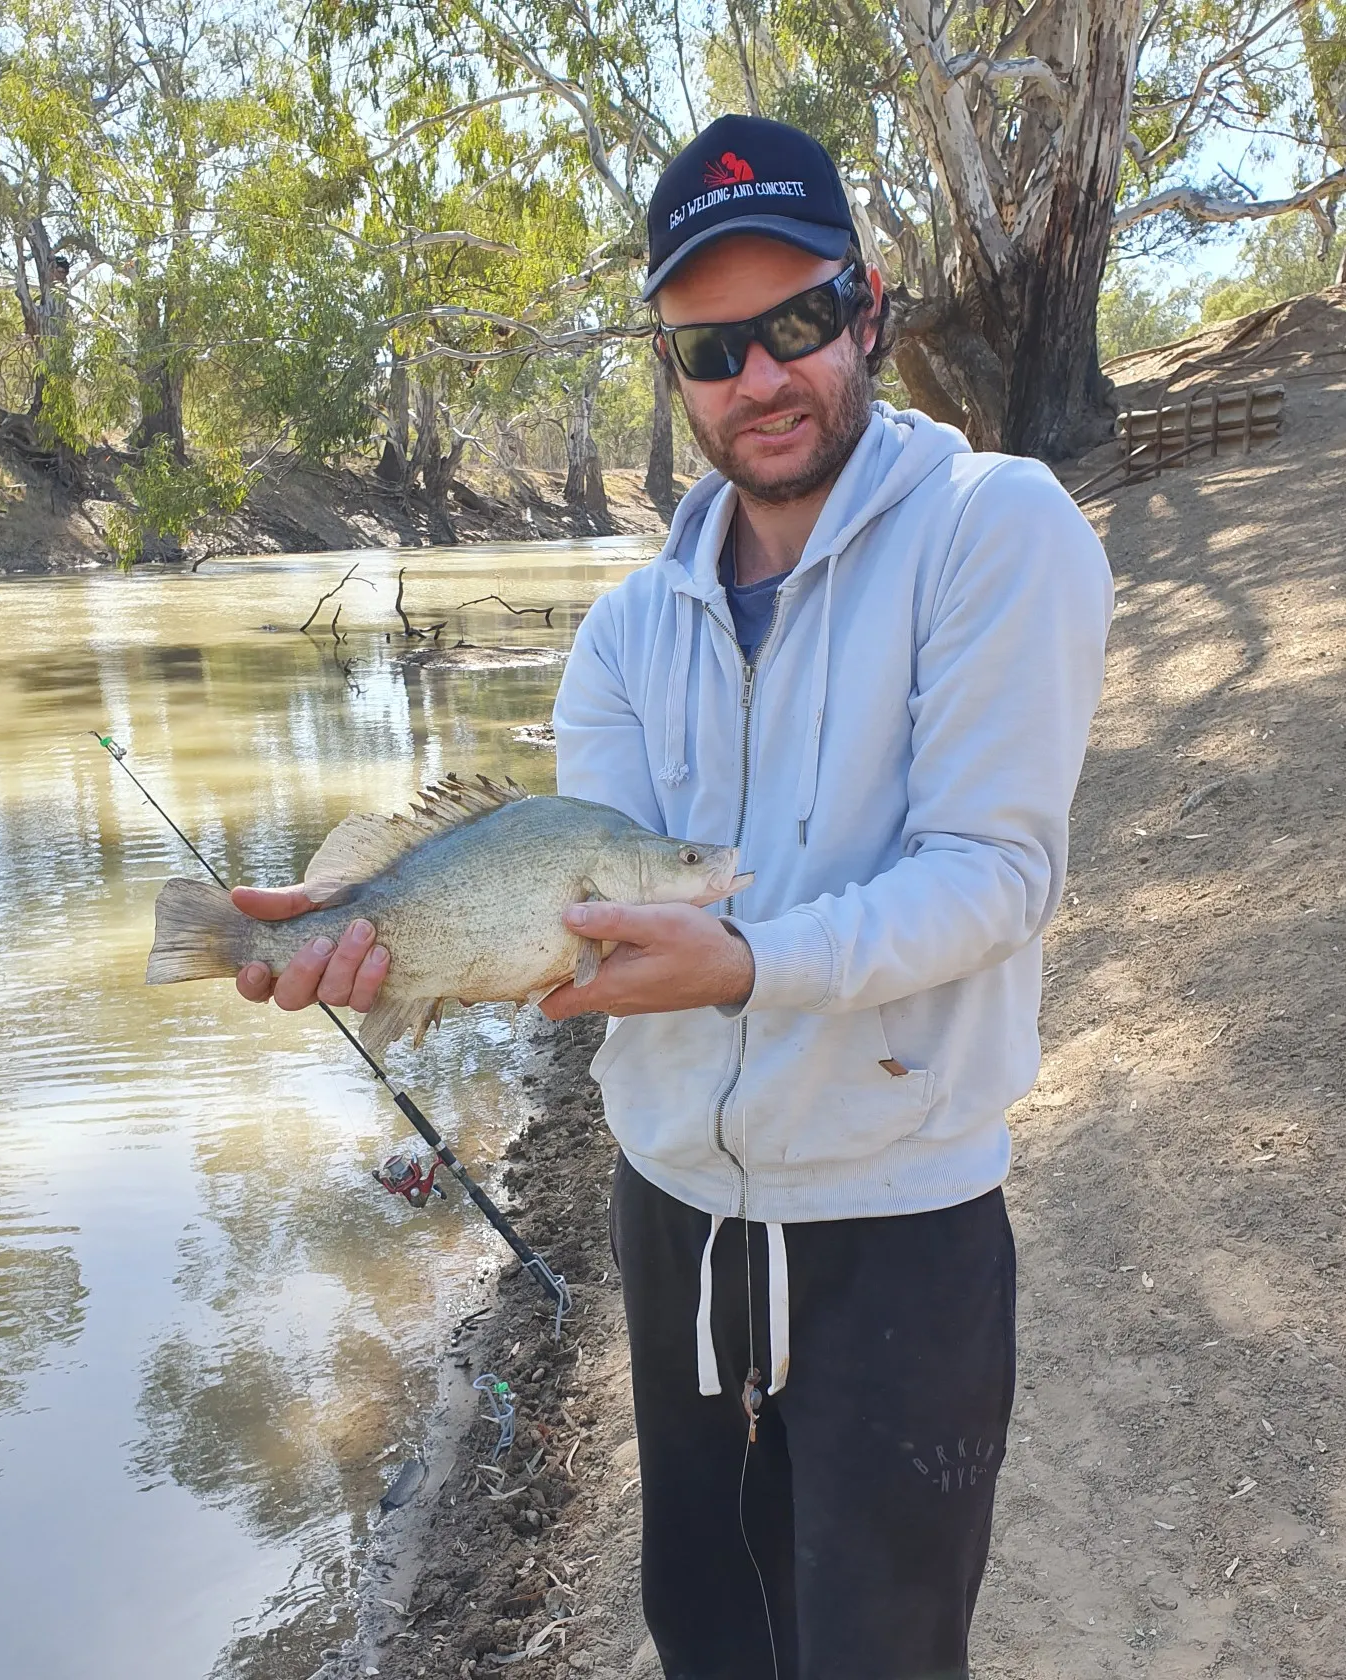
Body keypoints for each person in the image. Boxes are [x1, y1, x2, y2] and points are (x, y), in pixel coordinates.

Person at [232, 113, 1112, 1680]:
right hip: (673, 1211)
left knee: (881, 1651)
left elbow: (996, 878)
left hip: (897, 1221)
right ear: (670, 364)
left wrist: (749, 963)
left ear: (872, 306)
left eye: (795, 324)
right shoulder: (627, 632)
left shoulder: (998, 529)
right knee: (709, 1632)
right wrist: (381, 934)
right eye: (713, 348)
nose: (760, 379)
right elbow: (577, 901)